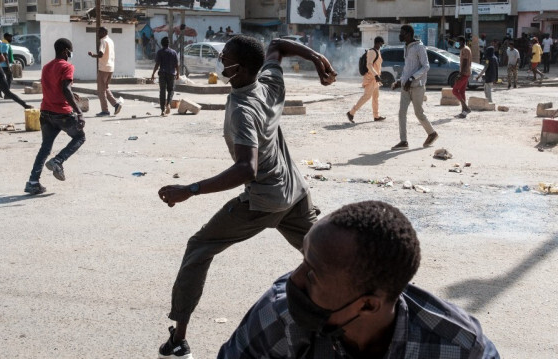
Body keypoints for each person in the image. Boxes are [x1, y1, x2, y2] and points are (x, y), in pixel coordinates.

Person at [156, 35, 336, 359]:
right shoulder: (269, 83)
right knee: (327, 257)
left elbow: (245, 169)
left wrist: (190, 190)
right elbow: (278, 45)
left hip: (262, 201)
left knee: (199, 247)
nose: (220, 60)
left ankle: (179, 338)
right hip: (295, 193)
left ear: (238, 69)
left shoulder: (242, 110)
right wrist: (317, 57)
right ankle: (356, 314)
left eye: (224, 57)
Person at [218, 201, 501, 359]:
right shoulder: (280, 316)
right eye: (303, 260)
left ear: (367, 306)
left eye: (314, 274)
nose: (295, 279)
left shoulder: (456, 347)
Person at [25, 38, 85, 195]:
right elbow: (65, 88)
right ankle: (58, 160)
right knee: (80, 137)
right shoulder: (67, 66)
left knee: (45, 148)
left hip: (45, 113)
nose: (70, 53)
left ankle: (33, 182)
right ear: (66, 51)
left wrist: (71, 93)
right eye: (70, 50)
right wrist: (78, 111)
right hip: (62, 114)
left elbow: (55, 86)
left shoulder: (46, 67)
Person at [390, 25, 438, 150]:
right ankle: (403, 141)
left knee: (418, 113)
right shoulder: (406, 47)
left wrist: (412, 79)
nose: (400, 35)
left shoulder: (419, 47)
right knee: (401, 113)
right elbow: (408, 68)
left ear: (409, 34)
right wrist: (400, 81)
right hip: (405, 87)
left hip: (417, 86)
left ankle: (432, 133)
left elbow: (426, 66)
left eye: (402, 33)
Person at [347, 36, 385, 123]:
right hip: (371, 78)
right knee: (366, 97)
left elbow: (377, 66)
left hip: (375, 79)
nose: (381, 46)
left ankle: (376, 116)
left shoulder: (377, 52)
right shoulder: (372, 52)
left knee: (375, 97)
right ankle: (351, 112)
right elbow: (369, 65)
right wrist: (375, 75)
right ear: (377, 43)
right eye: (381, 44)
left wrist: (378, 76)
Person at [88, 27, 122, 116]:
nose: (98, 34)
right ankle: (116, 104)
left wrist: (92, 55)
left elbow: (100, 54)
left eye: (99, 32)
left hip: (103, 68)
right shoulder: (110, 40)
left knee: (101, 91)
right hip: (110, 68)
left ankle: (105, 111)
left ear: (104, 32)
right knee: (105, 88)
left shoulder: (103, 41)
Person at [151, 37, 179, 117]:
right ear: (168, 43)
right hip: (171, 74)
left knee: (162, 91)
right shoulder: (173, 52)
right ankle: (168, 104)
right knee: (171, 90)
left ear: (162, 44)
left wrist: (153, 74)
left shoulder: (160, 52)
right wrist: (178, 74)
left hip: (162, 73)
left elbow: (157, 64)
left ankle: (163, 110)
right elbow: (176, 64)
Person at [452, 36, 472, 118]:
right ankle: (464, 112)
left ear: (462, 42)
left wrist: (460, 74)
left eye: (458, 41)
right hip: (466, 72)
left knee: (455, 91)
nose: (457, 43)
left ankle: (466, 108)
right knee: (462, 92)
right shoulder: (464, 49)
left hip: (464, 73)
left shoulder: (465, 50)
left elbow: (465, 62)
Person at [0, 33, 14, 99]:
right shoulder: (5, 45)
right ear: (6, 37)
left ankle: (0, 90)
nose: (11, 39)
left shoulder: (2, 43)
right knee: (9, 79)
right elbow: (5, 55)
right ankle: (5, 94)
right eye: (10, 37)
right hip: (5, 65)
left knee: (7, 79)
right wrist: (8, 66)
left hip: (2, 64)